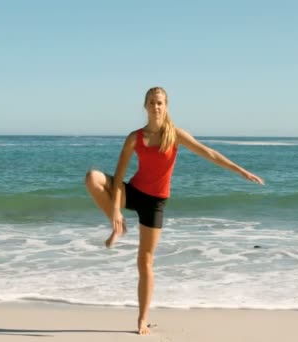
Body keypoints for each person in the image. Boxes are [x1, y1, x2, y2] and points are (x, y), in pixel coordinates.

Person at [85, 86, 264, 336]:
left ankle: (142, 320)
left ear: (166, 106)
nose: (155, 107)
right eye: (151, 102)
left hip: (155, 203)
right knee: (93, 177)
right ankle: (118, 226)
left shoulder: (175, 134)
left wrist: (241, 171)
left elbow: (209, 153)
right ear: (145, 106)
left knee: (144, 261)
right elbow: (120, 177)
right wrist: (115, 211)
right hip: (133, 192)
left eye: (160, 103)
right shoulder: (134, 137)